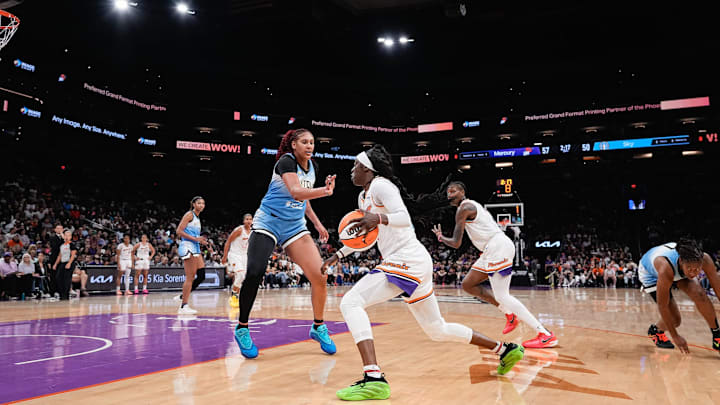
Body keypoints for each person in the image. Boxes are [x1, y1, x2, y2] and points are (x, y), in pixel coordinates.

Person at [323, 146, 524, 401]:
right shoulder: (363, 199)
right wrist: (337, 255)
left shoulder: (381, 185)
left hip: (405, 259)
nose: (351, 170)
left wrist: (379, 219)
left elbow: (403, 218)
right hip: (412, 262)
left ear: (367, 169)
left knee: (351, 302)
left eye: (355, 165)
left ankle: (373, 378)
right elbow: (368, 239)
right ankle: (504, 350)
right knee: (436, 329)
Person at [234, 128, 337, 359]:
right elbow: (296, 191)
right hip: (268, 222)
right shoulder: (285, 162)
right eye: (304, 142)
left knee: (320, 276)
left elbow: (305, 199)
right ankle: (242, 328)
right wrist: (325, 191)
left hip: (294, 226)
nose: (309, 146)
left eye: (312, 142)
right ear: (293, 145)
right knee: (255, 272)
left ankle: (318, 326)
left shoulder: (314, 167)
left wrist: (318, 225)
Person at [433, 182, 557, 348]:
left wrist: (441, 238)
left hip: (497, 246)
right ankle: (509, 315)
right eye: (448, 192)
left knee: (502, 296)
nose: (450, 194)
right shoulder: (470, 205)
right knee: (468, 284)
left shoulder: (464, 208)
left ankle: (544, 334)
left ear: (462, 191)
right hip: (490, 249)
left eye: (453, 191)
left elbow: (456, 243)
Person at [639, 239, 720, 353]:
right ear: (681, 261)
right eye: (690, 269)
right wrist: (675, 336)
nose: (693, 273)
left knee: (700, 294)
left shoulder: (704, 259)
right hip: (651, 274)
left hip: (676, 268)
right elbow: (663, 305)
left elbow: (718, 289)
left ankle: (717, 336)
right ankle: (655, 331)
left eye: (697, 270)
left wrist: (689, 270)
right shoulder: (665, 267)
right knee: (675, 320)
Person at [175, 196, 209, 314]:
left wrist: (201, 241)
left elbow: (195, 236)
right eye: (199, 203)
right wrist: (195, 239)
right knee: (190, 277)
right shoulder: (189, 214)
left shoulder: (197, 218)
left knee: (201, 275)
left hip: (195, 246)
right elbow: (179, 231)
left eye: (203, 203)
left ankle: (182, 296)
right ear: (193, 204)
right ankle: (184, 305)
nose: (201, 205)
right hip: (188, 246)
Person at [222, 214, 252, 308]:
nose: (248, 221)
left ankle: (236, 296)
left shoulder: (252, 232)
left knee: (243, 277)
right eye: (247, 219)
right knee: (240, 275)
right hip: (234, 254)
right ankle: (234, 296)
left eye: (250, 219)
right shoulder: (239, 230)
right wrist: (224, 256)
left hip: (244, 256)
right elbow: (228, 242)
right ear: (243, 221)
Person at [53, 230, 77, 300]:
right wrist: (55, 264)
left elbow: (73, 255)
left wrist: (69, 263)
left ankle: (66, 294)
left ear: (70, 237)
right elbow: (59, 256)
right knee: (58, 277)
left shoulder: (72, 245)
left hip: (69, 262)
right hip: (62, 263)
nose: (66, 237)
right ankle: (61, 293)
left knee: (67, 279)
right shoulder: (62, 245)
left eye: (68, 235)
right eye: (65, 235)